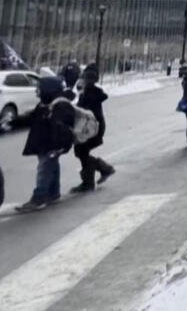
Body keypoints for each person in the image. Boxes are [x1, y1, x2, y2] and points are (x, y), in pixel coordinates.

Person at [16, 78, 76, 212]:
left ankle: (39, 198)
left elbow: (65, 129)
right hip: (44, 144)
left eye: (39, 87)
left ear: (49, 88)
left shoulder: (60, 105)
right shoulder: (45, 103)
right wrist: (16, 121)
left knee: (44, 170)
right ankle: (53, 193)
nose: (36, 90)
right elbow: (33, 118)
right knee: (52, 167)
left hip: (52, 145)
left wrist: (59, 148)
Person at [70, 64, 114, 193]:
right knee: (81, 152)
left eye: (85, 78)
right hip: (89, 127)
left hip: (92, 128)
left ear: (90, 79)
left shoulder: (92, 94)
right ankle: (92, 178)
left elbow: (85, 111)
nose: (82, 80)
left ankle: (98, 174)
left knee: (81, 151)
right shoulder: (87, 92)